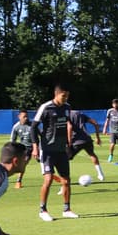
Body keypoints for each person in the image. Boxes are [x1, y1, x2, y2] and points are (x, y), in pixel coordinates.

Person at [32, 85, 77, 221]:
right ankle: (43, 210)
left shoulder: (67, 107)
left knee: (66, 181)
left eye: (67, 96)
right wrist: (35, 147)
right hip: (47, 150)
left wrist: (68, 144)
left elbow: (68, 125)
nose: (66, 98)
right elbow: (33, 127)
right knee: (48, 179)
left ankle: (67, 209)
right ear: (56, 94)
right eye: (64, 96)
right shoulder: (46, 107)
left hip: (61, 150)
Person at [67, 107, 105, 181]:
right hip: (87, 139)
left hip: (76, 141)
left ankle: (65, 179)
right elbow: (95, 123)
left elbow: (70, 127)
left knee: (64, 159)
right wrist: (98, 138)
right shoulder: (80, 113)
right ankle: (100, 174)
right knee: (92, 154)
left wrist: (69, 142)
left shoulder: (66, 115)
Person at [9, 110, 34, 188]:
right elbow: (12, 140)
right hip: (25, 148)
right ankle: (18, 181)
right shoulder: (16, 127)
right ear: (19, 117)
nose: (26, 118)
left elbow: (41, 135)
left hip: (36, 147)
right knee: (24, 163)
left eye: (27, 116)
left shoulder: (32, 125)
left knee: (45, 162)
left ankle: (53, 177)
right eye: (24, 117)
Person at [103, 98, 118, 164]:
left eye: (117, 103)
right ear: (112, 104)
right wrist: (104, 129)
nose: (115, 105)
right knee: (112, 144)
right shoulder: (110, 111)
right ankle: (111, 155)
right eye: (114, 104)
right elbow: (107, 120)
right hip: (112, 131)